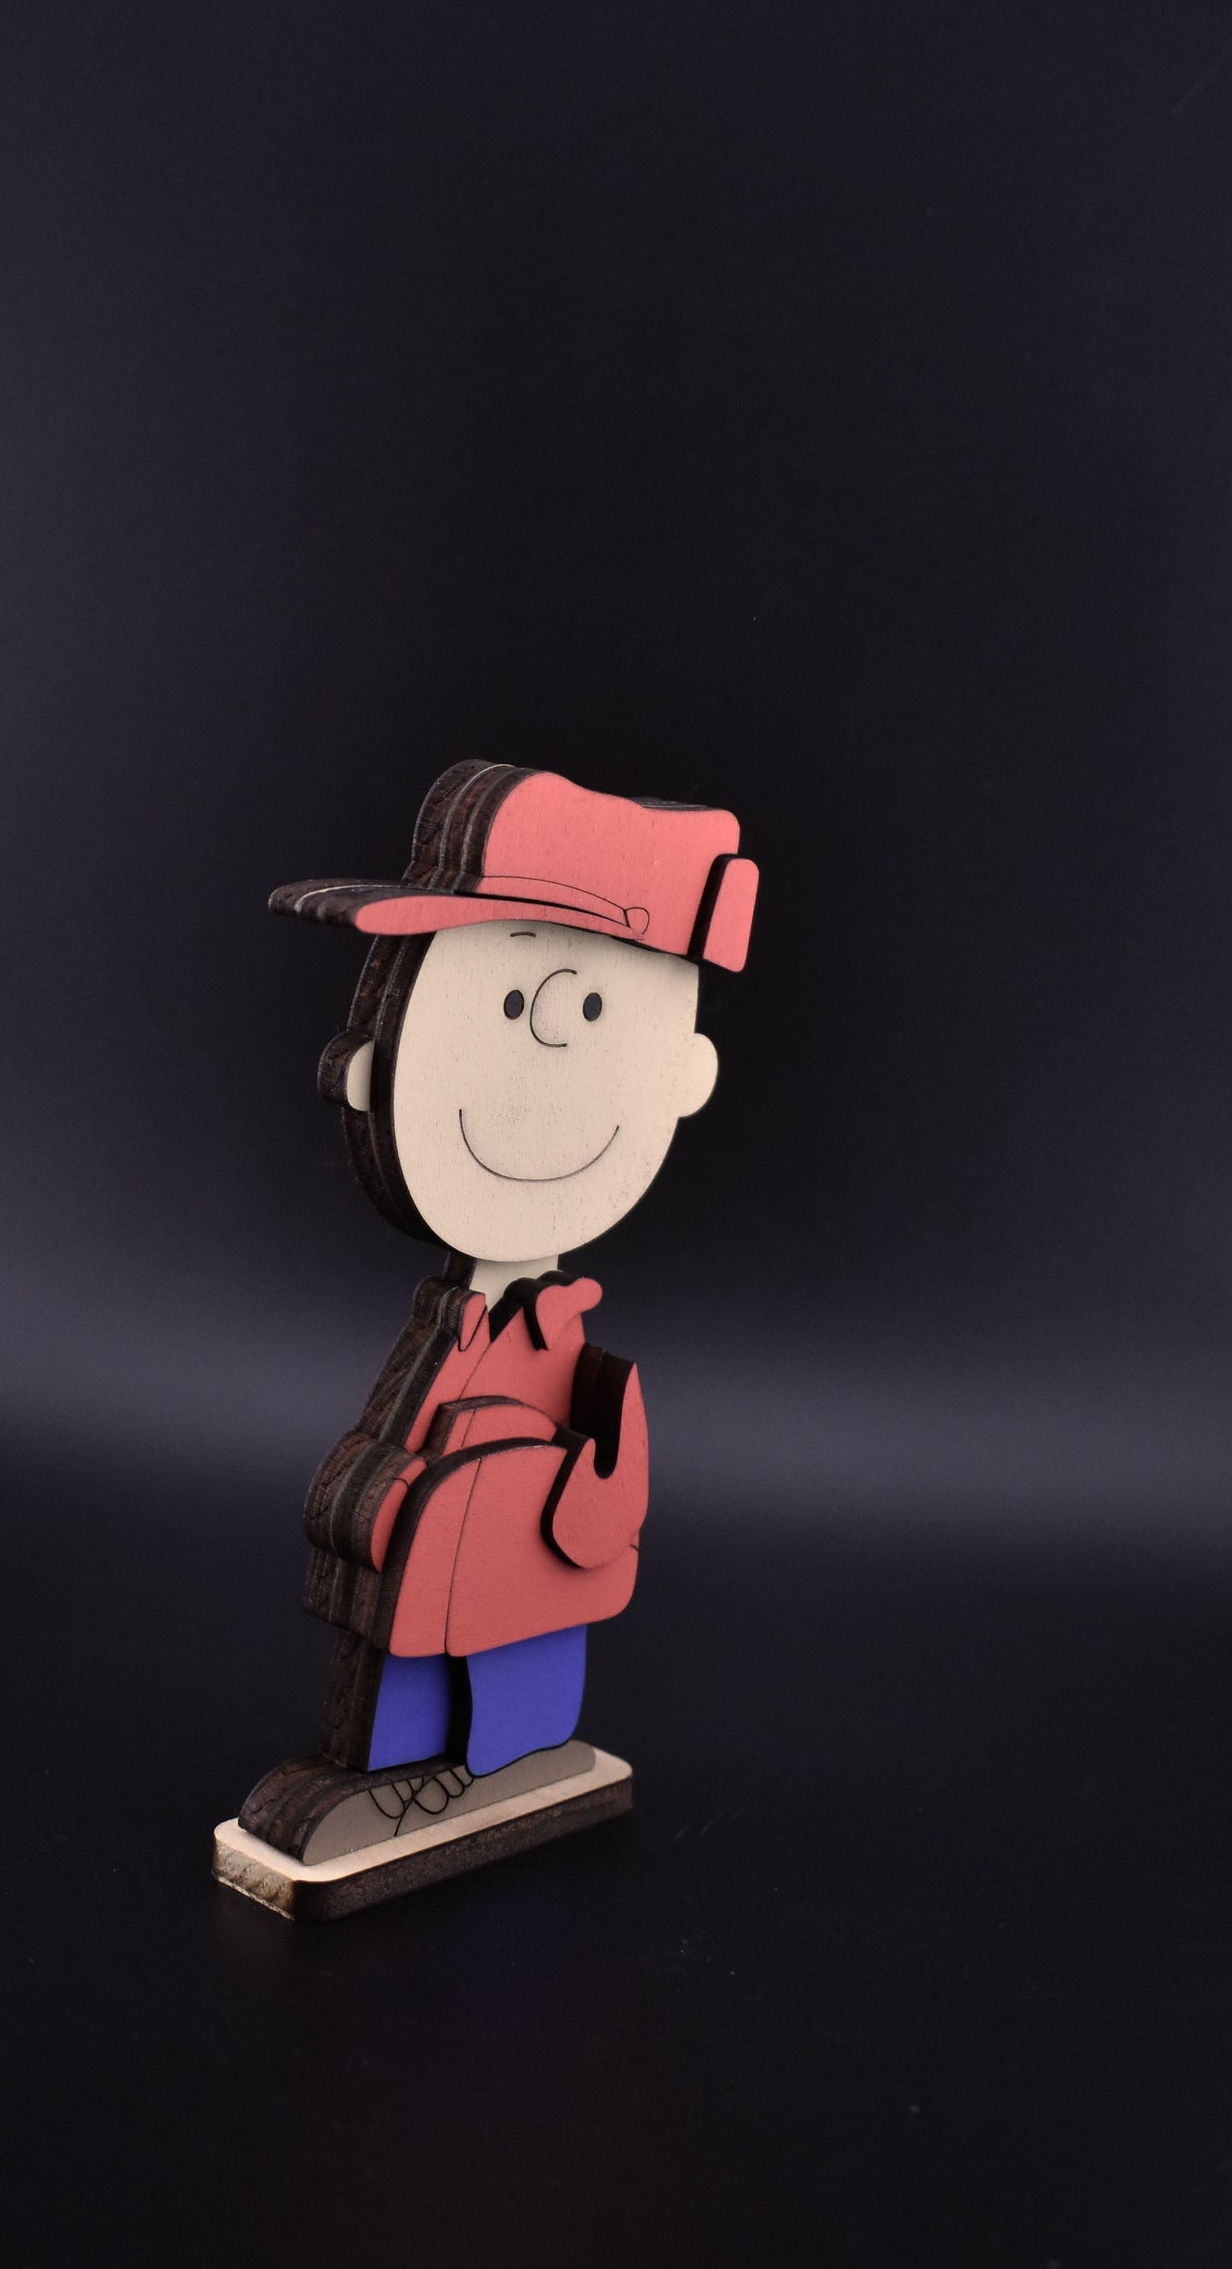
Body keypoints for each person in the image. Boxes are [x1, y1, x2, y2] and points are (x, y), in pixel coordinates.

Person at [234, 758, 757, 1872]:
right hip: (448, 1541)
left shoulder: (551, 1329)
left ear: (686, 1073)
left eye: (586, 1008)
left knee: (524, 1627)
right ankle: (396, 1770)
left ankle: (513, 1753)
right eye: (509, 1007)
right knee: (411, 1624)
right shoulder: (461, 1320)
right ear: (367, 1071)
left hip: (533, 1535)